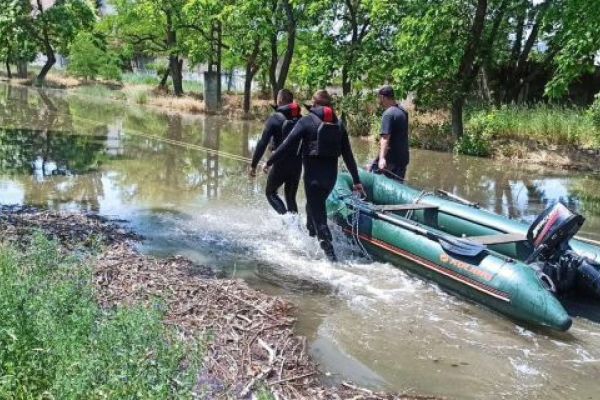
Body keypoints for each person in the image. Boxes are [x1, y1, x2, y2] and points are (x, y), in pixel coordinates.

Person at [265, 90, 363, 261]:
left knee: (319, 220)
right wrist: (356, 181)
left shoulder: (306, 121)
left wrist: (269, 161)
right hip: (330, 180)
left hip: (313, 181)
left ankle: (332, 261)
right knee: (312, 210)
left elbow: (287, 145)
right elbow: (348, 156)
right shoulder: (339, 125)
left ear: (314, 104)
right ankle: (309, 244)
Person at [250, 89, 302, 214]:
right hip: (297, 164)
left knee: (270, 193)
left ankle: (287, 222)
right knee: (290, 198)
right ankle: (296, 226)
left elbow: (262, 144)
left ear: (280, 100)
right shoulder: (301, 119)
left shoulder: (274, 119)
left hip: (280, 163)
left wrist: (253, 165)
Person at [369, 85, 409, 182]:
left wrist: (382, 158)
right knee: (397, 186)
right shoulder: (403, 111)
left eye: (379, 97)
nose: (379, 100)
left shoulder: (388, 114)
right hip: (403, 158)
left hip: (390, 160)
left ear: (382, 97)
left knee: (373, 177)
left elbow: (385, 138)